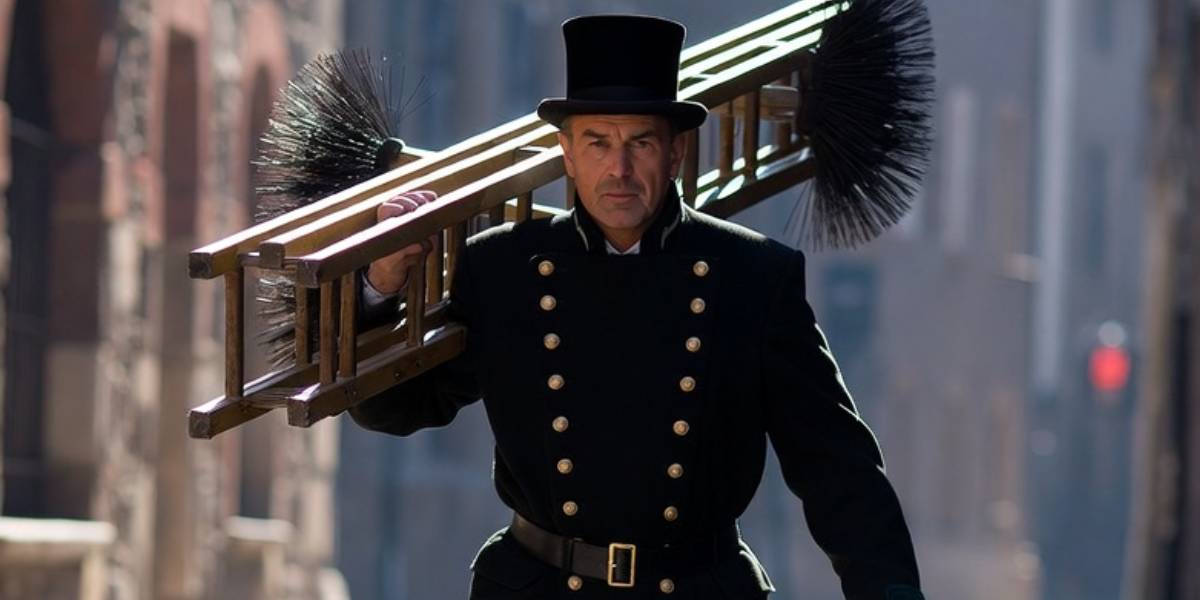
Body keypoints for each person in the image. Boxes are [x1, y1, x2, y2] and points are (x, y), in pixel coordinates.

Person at [350, 14, 924, 600]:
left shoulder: (753, 277)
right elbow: (391, 411)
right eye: (598, 141)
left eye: (640, 143)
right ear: (568, 153)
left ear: (674, 154)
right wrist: (380, 284)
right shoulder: (501, 269)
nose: (618, 169)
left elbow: (837, 465)